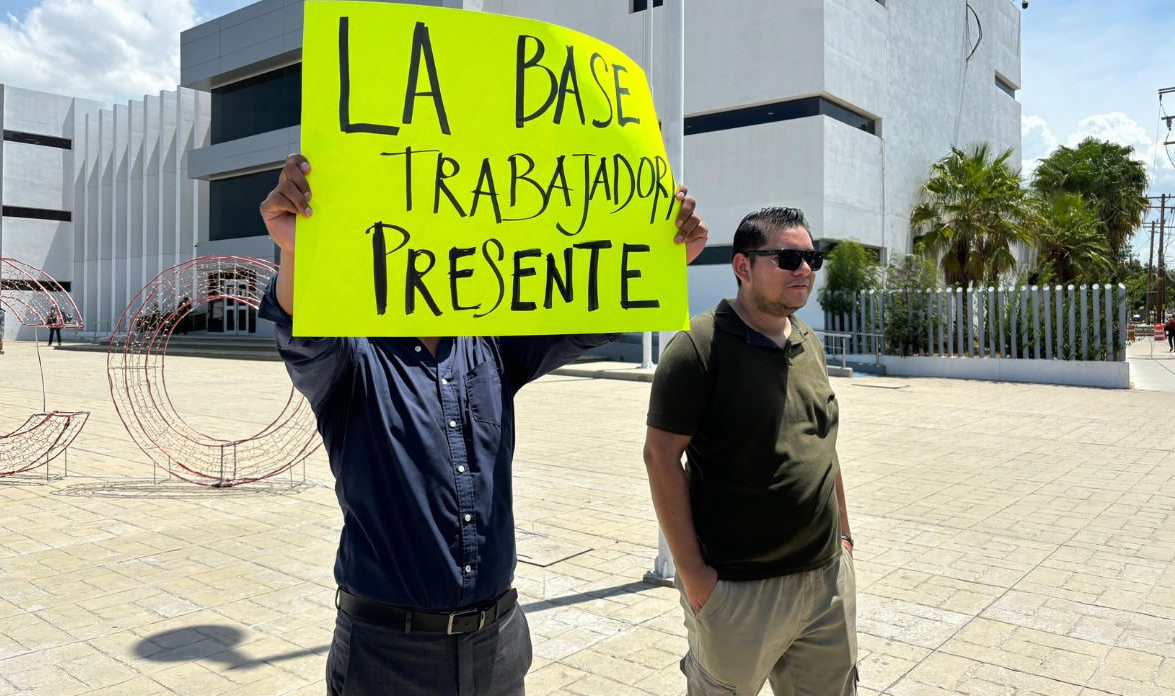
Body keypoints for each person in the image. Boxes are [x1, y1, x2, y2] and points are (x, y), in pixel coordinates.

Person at [257, 154, 708, 696]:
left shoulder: (491, 344)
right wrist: (295, 254)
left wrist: (662, 256)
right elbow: (300, 332)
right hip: (387, 656)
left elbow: (590, 310)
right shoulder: (352, 358)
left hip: (498, 644)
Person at [644, 207, 857, 696]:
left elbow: (824, 443)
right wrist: (694, 576)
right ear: (743, 267)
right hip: (739, 593)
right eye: (787, 258)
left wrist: (844, 538)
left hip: (825, 583)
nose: (804, 270)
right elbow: (660, 457)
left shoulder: (808, 341)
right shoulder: (699, 347)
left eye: (811, 258)